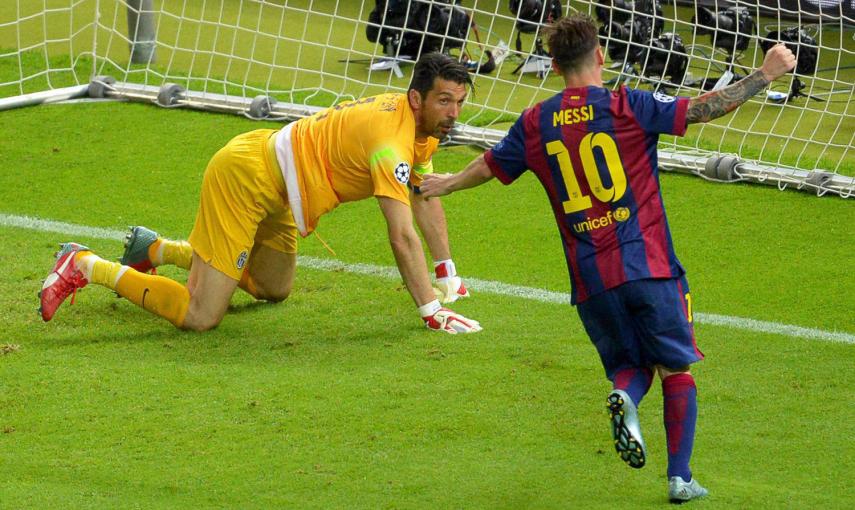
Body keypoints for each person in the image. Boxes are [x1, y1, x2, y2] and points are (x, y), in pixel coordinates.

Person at [421, 13, 796, 502]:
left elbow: (490, 164)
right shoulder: (629, 105)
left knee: (630, 366)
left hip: (591, 280)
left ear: (553, 66)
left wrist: (445, 184)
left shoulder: (536, 122)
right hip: (649, 266)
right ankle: (680, 478)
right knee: (675, 369)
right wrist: (764, 73)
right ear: (600, 56)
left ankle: (625, 396)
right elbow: (703, 109)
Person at [39, 52, 481, 335]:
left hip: (281, 188)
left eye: (459, 102)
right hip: (247, 178)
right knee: (201, 316)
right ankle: (84, 263)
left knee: (274, 288)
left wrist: (447, 270)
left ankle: (154, 249)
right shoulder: (391, 140)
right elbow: (401, 235)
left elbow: (423, 191)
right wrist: (430, 310)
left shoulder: (422, 128)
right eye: (444, 101)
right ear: (415, 98)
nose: (454, 113)